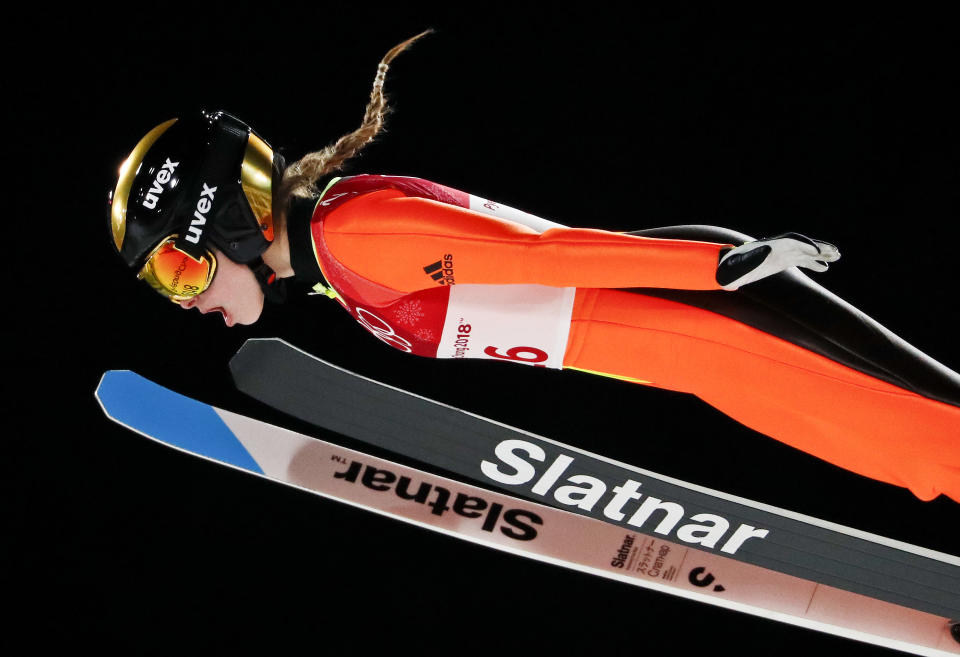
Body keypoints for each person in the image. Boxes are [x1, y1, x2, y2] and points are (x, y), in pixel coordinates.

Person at [107, 32, 960, 503]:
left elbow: (538, 256)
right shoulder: (334, 265)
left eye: (182, 271)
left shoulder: (356, 238)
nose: (189, 301)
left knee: (935, 443)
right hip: (686, 351)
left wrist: (718, 267)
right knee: (921, 457)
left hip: (701, 315)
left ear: (226, 220)